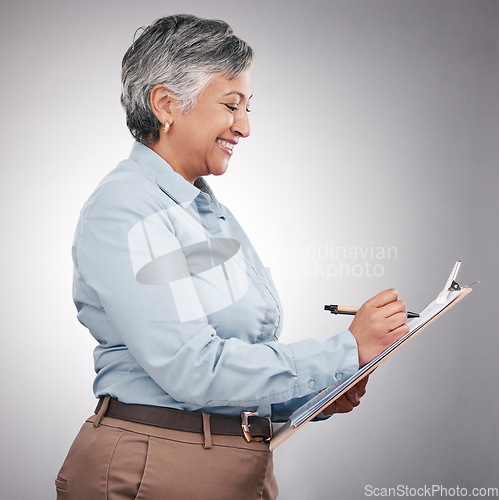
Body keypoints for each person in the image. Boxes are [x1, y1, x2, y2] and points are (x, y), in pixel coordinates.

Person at [55, 14, 409, 499]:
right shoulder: (126, 210)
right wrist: (344, 349)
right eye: (231, 105)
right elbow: (193, 369)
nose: (244, 127)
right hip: (158, 470)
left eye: (248, 107)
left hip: (230, 468)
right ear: (165, 104)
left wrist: (317, 391)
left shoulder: (204, 211)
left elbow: (226, 365)